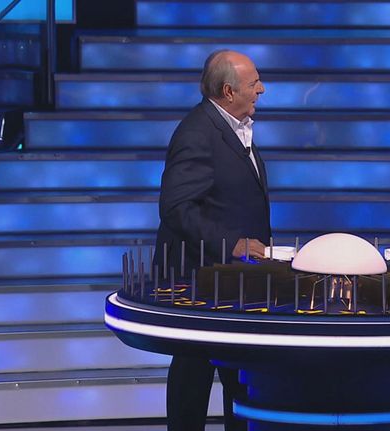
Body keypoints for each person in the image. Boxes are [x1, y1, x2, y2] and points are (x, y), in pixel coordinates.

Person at [154, 49, 270, 431]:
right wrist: (232, 244)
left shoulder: (234, 126)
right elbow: (175, 207)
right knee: (193, 377)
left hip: (234, 283)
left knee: (239, 376)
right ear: (228, 91)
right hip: (201, 283)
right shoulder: (197, 133)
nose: (262, 90)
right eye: (254, 83)